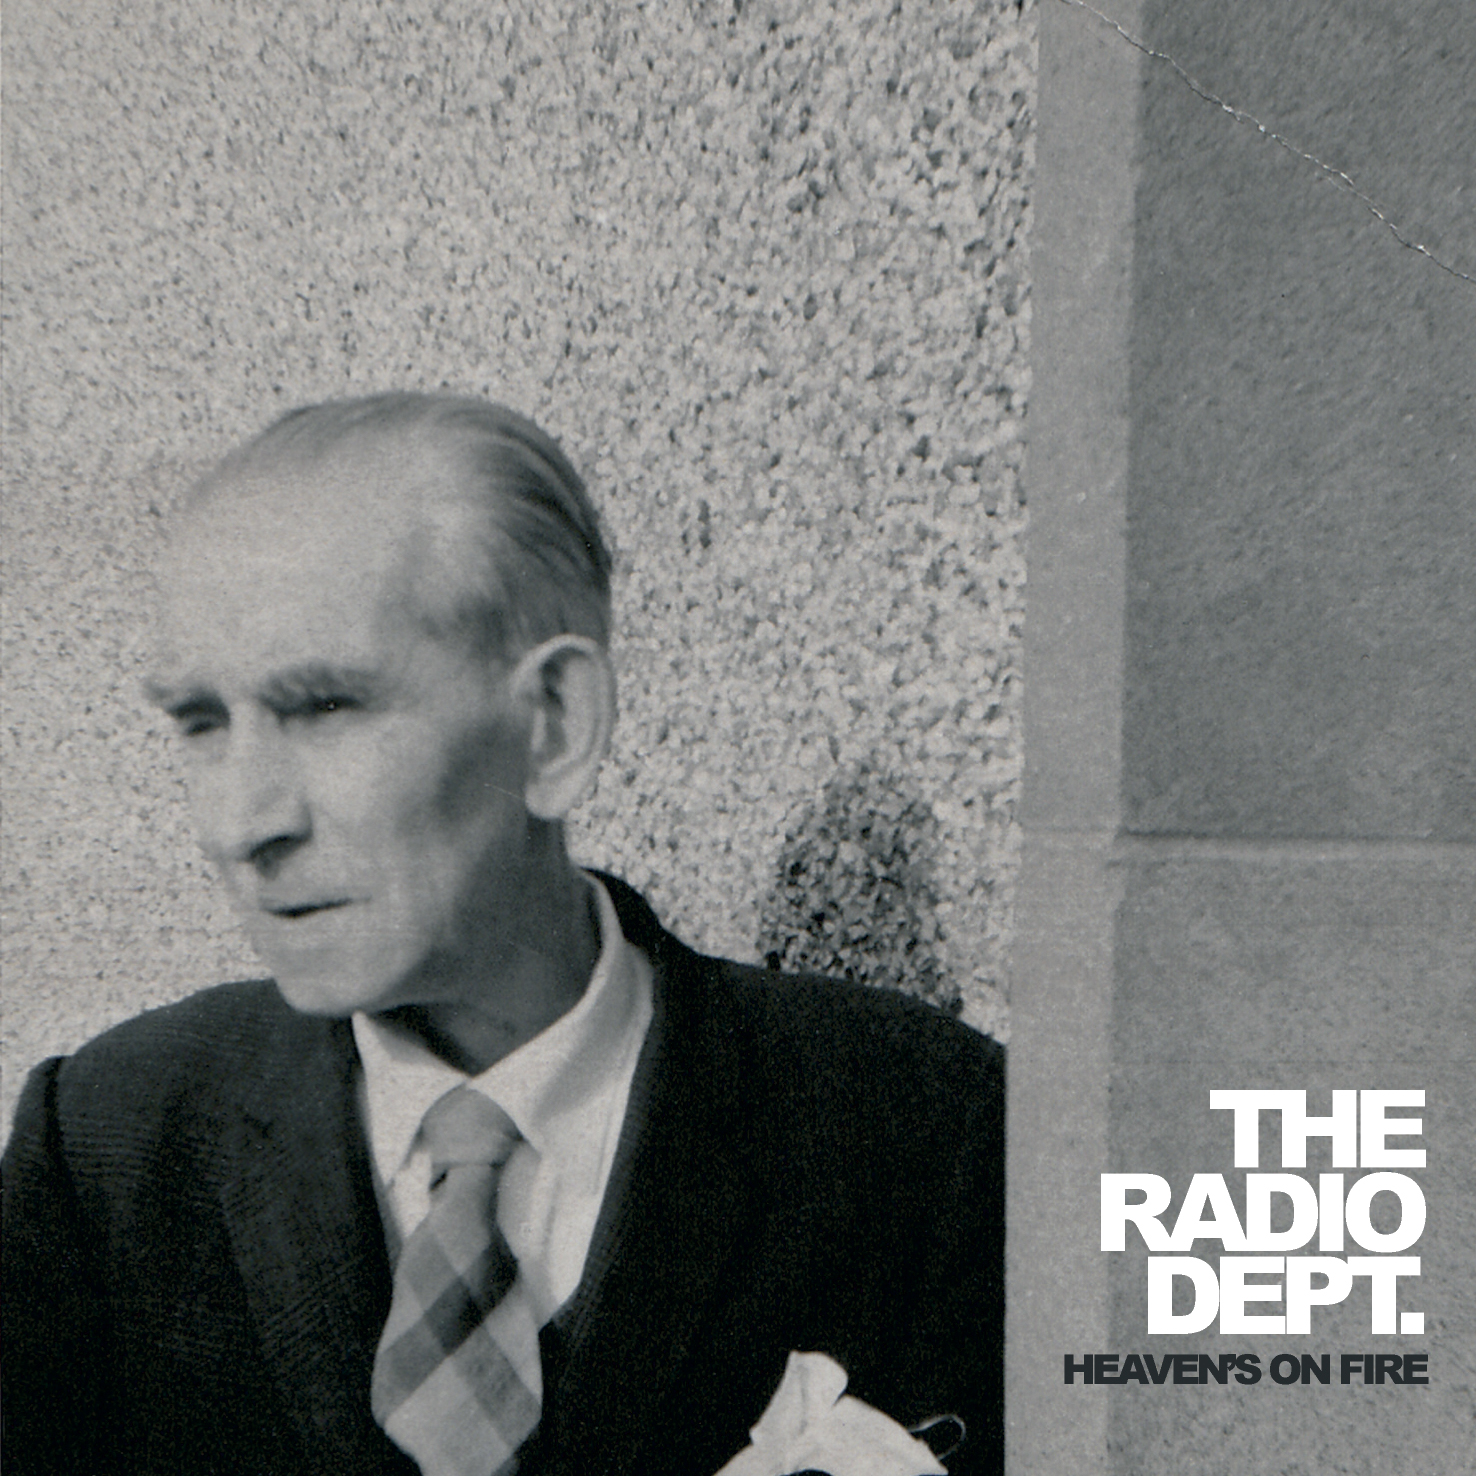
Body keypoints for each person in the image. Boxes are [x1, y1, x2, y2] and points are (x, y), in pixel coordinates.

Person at [1, 393, 1004, 1476]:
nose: (240, 824)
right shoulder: (108, 1144)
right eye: (201, 723)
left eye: (327, 707)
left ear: (554, 726)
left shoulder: (922, 1128)